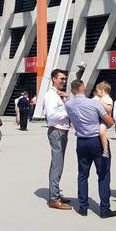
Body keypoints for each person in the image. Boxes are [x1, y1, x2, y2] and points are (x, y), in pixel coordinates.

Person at [65, 80, 116, 218]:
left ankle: (83, 207)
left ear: (72, 89)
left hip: (81, 141)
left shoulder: (68, 104)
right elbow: (109, 121)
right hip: (96, 140)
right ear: (84, 88)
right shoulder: (94, 103)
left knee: (82, 175)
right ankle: (104, 209)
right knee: (103, 175)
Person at [43, 69, 72, 210]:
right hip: (57, 133)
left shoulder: (59, 95)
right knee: (57, 165)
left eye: (65, 78)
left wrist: (67, 98)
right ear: (54, 79)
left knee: (59, 164)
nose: (63, 81)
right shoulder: (50, 95)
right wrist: (68, 112)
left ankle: (56, 194)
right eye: (61, 78)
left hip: (62, 133)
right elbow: (52, 116)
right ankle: (53, 199)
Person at [93, 81, 113, 158]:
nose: (96, 93)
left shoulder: (107, 99)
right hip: (99, 118)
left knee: (101, 132)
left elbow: (109, 109)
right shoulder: (101, 98)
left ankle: (105, 150)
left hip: (104, 119)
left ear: (102, 90)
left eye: (97, 91)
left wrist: (100, 102)